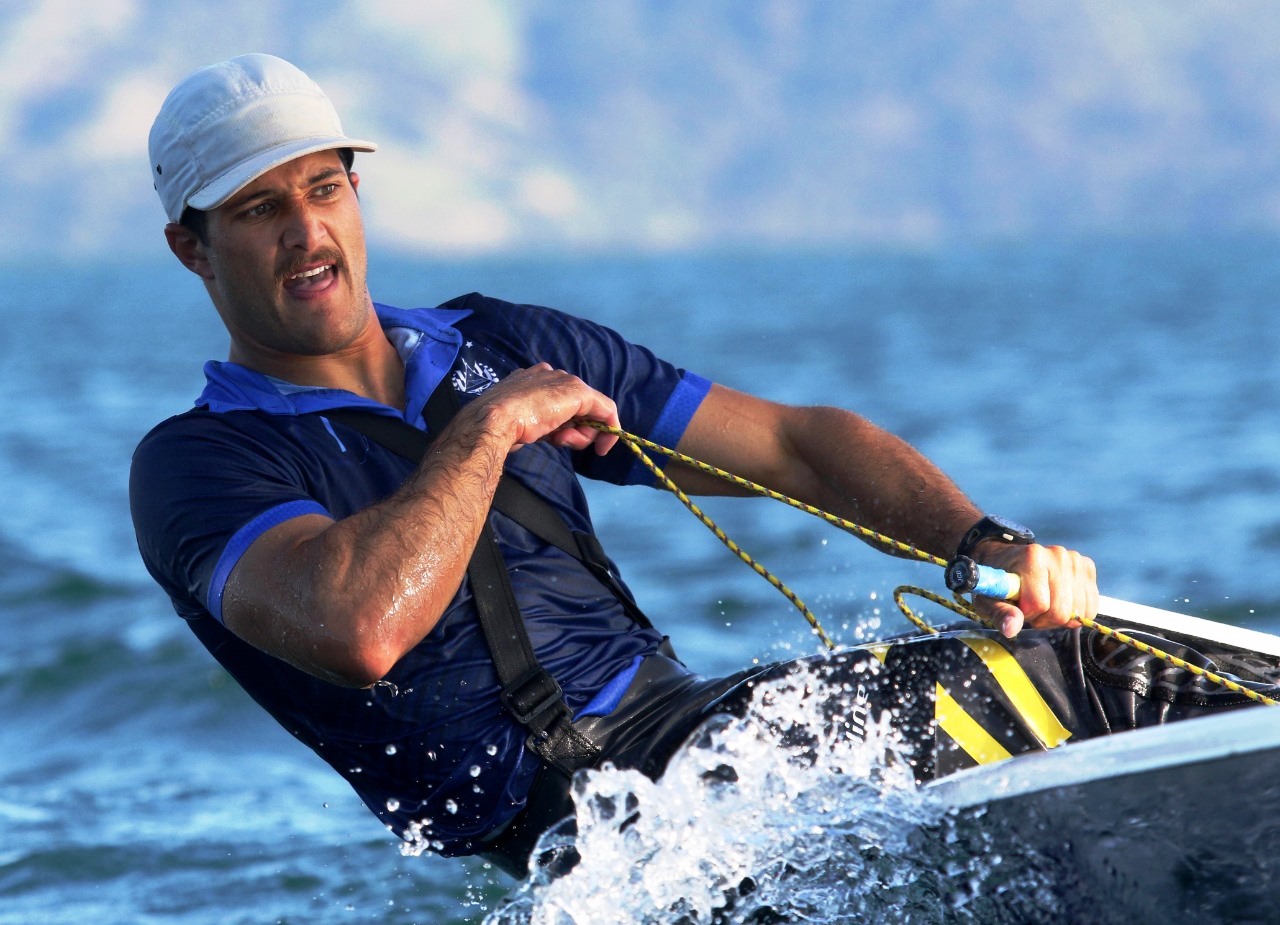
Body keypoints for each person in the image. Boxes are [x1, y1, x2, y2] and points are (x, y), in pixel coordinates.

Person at [130, 54, 1132, 879]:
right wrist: (490, 428)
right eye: (259, 209)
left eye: (323, 187)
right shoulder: (197, 464)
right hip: (591, 836)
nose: (307, 232)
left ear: (356, 190)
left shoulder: (500, 339)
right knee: (1017, 689)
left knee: (1078, 659)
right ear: (191, 248)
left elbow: (793, 448)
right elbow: (360, 628)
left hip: (700, 738)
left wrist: (980, 543)